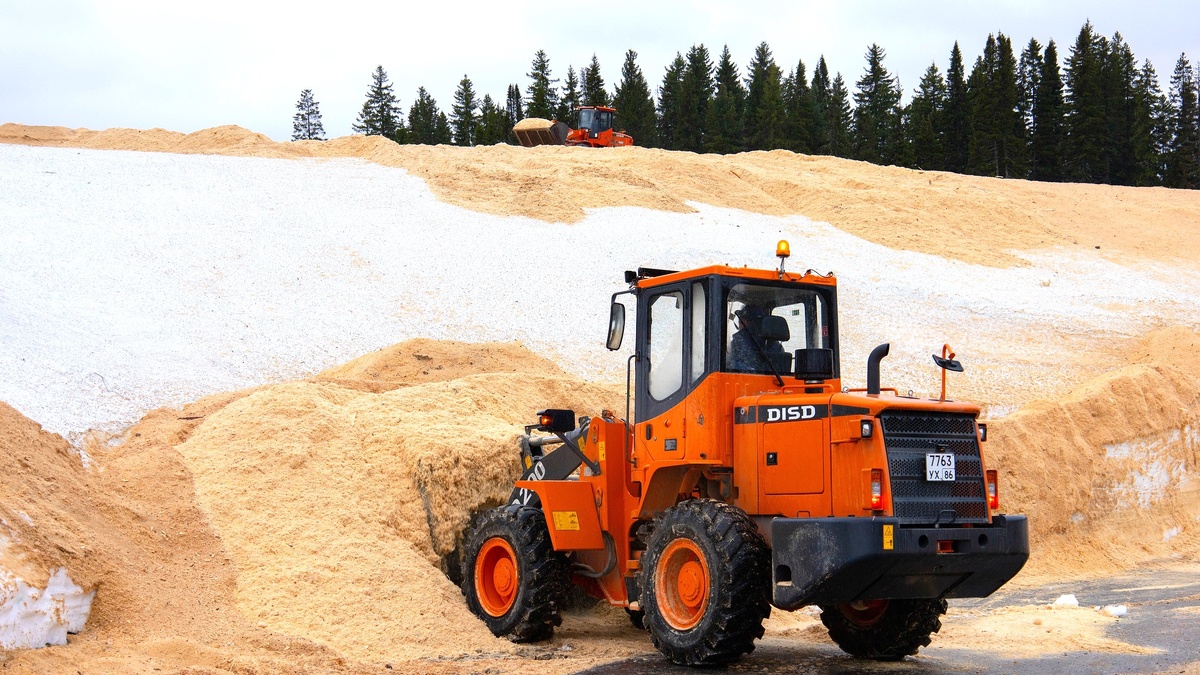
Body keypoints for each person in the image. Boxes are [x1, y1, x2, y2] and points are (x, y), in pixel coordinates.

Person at [727, 305, 784, 372]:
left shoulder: (739, 340)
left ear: (744, 322)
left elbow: (731, 366)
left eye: (739, 321)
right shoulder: (776, 344)